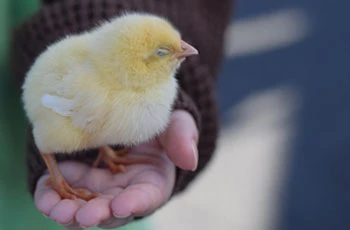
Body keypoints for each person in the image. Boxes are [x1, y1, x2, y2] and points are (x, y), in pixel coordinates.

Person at [9, 0, 233, 229]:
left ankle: (106, 152)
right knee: (62, 133)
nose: (186, 48)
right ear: (140, 65)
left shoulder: (135, 86)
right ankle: (58, 177)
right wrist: (56, 175)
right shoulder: (95, 93)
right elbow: (43, 97)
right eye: (163, 52)